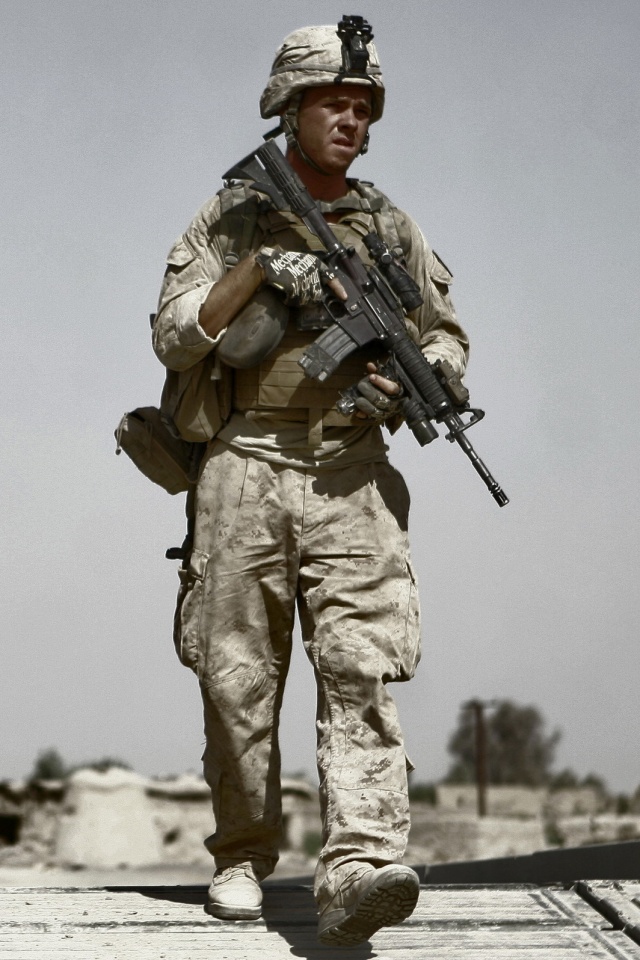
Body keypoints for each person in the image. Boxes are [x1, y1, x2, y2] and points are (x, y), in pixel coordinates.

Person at [152, 19, 468, 947]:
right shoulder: (230, 217)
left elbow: (446, 336)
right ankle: (243, 856)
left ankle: (358, 867)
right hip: (244, 466)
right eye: (334, 101)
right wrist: (259, 269)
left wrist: (426, 378)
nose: (351, 120)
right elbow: (173, 335)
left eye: (364, 106)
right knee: (236, 679)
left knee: (361, 668)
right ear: (289, 107)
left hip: (352, 473)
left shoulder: (391, 228)